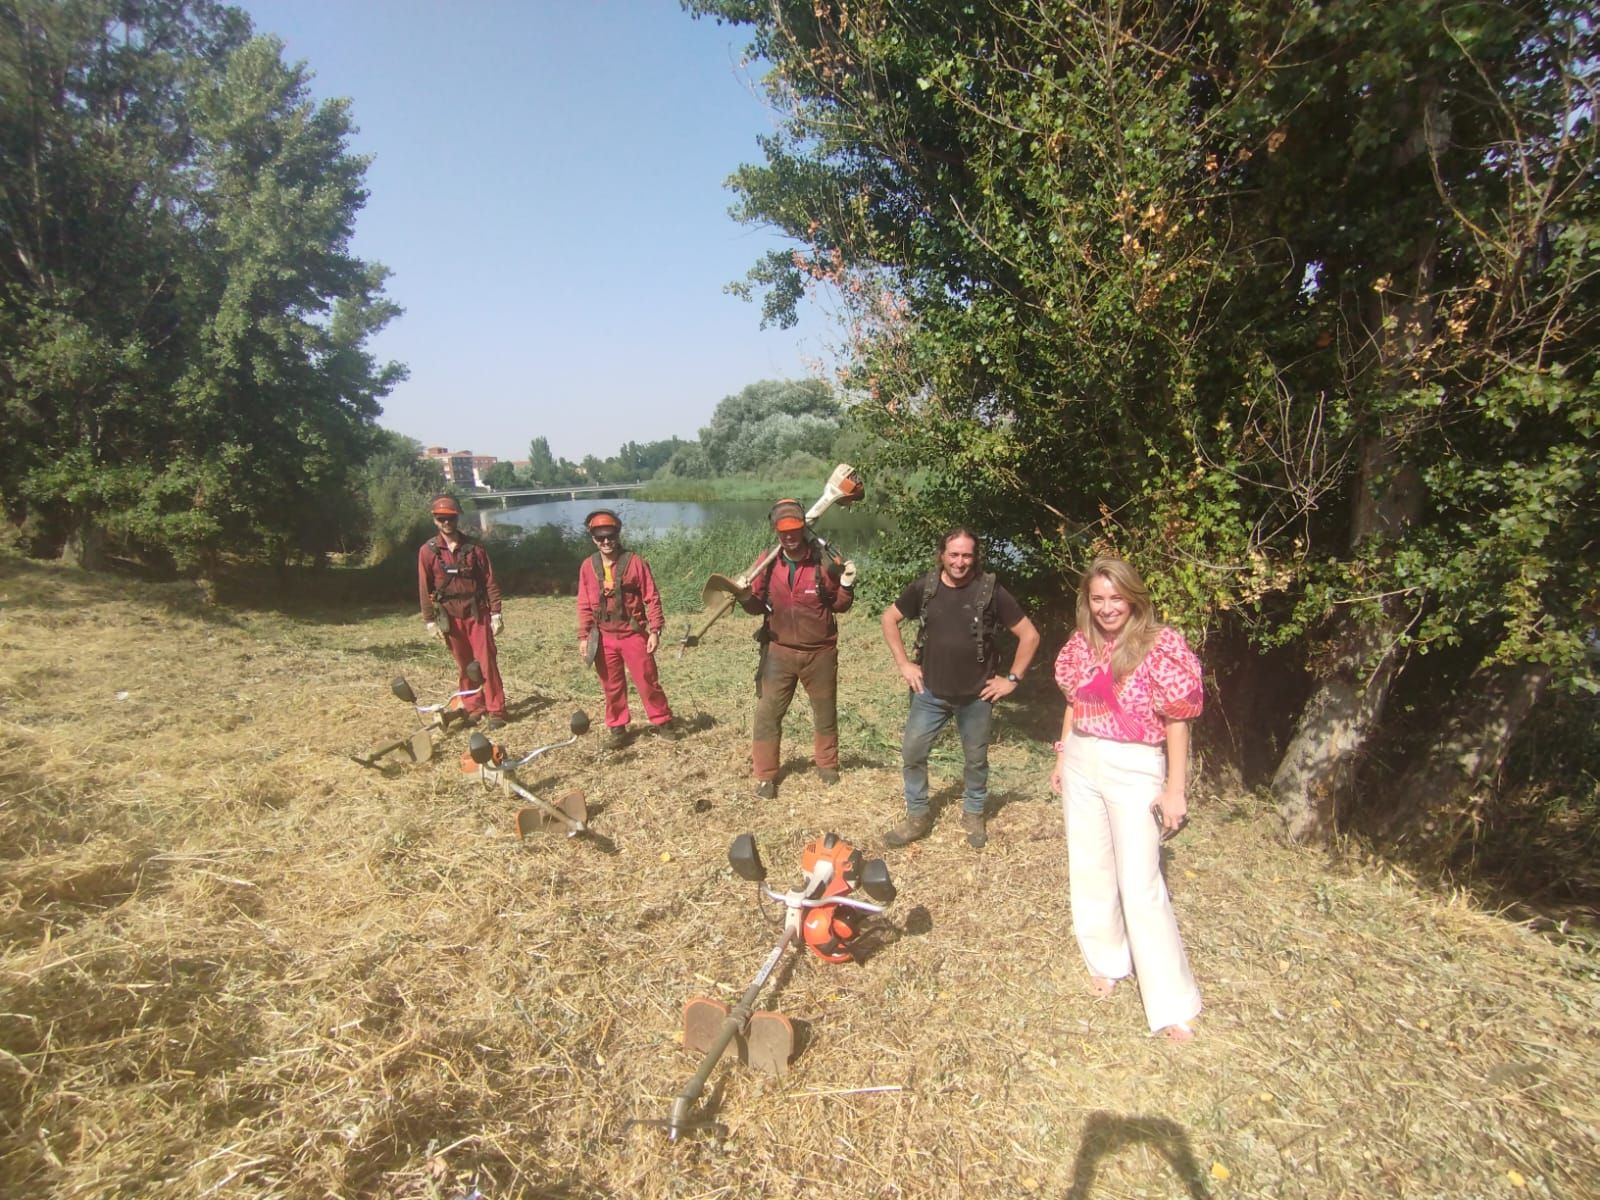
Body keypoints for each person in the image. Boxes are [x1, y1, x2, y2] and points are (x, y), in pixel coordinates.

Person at [1050, 555, 1204, 1041]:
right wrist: (1062, 755)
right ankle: (1106, 958)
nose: (1107, 607)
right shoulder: (1082, 644)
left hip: (1135, 764)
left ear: (1134, 598)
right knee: (1090, 865)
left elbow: (1178, 718)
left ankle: (1171, 1002)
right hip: (1082, 758)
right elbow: (1074, 703)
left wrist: (1174, 788)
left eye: (1116, 597)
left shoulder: (1161, 645)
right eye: (1098, 598)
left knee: (1140, 882)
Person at [880, 528, 1040, 849]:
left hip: (976, 696)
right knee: (912, 753)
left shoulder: (991, 592)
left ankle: (974, 811)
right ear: (942, 555)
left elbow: (1030, 635)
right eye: (954, 554)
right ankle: (917, 815)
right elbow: (889, 619)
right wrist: (904, 664)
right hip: (930, 693)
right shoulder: (925, 588)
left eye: (967, 555)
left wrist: (1011, 680)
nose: (960, 561)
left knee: (975, 759)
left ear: (975, 557)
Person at [738, 499, 858, 799]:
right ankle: (766, 775)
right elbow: (755, 607)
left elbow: (840, 606)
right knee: (767, 713)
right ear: (776, 530)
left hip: (820, 652)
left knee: (824, 710)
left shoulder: (824, 562)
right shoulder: (767, 562)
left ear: (803, 527)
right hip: (779, 650)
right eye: (783, 531)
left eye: (794, 529)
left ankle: (827, 764)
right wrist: (741, 595)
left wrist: (846, 585)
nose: (789, 536)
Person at [576, 509, 675, 747]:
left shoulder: (635, 562)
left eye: (610, 536)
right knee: (611, 685)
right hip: (604, 636)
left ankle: (662, 722)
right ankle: (618, 728)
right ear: (593, 538)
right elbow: (583, 604)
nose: (606, 542)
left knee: (647, 680)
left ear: (618, 534)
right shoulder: (587, 567)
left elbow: (652, 597)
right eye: (600, 537)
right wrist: (584, 636)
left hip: (633, 633)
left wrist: (655, 630)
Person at [417, 494, 507, 730]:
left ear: (457, 518)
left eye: (450, 518)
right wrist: (429, 621)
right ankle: (474, 706)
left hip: (477, 613)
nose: (447, 522)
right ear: (435, 520)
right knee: (464, 663)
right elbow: (424, 587)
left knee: (486, 661)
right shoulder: (428, 552)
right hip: (449, 615)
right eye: (441, 518)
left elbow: (489, 580)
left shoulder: (474, 548)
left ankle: (496, 709)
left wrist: (496, 612)